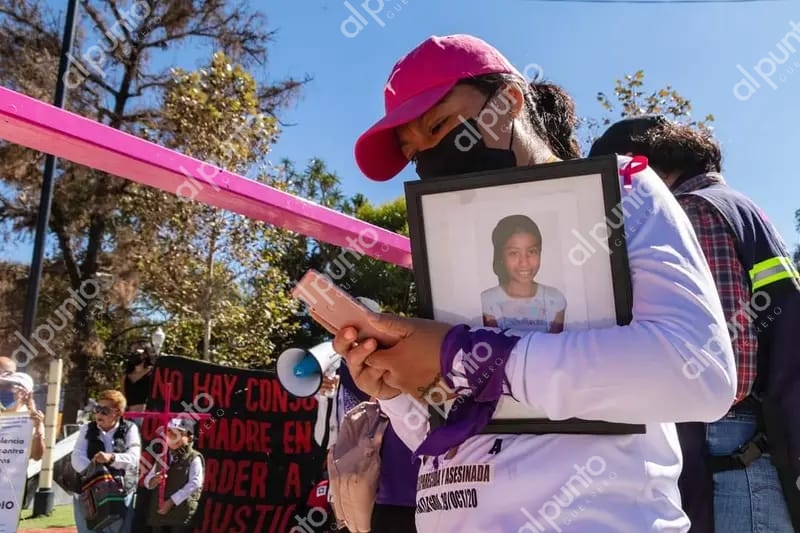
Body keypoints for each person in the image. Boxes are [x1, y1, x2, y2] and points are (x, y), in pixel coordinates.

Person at [329, 34, 739, 532]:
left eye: (438, 127)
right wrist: (398, 389)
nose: (432, 157)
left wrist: (468, 357)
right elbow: (461, 433)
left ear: (508, 101)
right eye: (415, 154)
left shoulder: (622, 191)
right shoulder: (449, 241)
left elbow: (700, 374)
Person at [589, 115, 800, 532]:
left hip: (731, 452)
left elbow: (725, 362)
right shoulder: (737, 206)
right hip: (752, 448)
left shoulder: (691, 212)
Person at [481, 214, 567, 332]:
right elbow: (494, 342)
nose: (524, 262)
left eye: (531, 251)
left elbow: (555, 342)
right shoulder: (488, 301)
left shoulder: (554, 299)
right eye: (514, 253)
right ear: (501, 257)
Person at [71, 389, 141, 533]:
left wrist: (112, 458)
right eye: (97, 409)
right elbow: (77, 456)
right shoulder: (87, 428)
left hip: (120, 491)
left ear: (118, 412)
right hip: (89, 492)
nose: (99, 414)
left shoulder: (130, 428)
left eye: (105, 411)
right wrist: (97, 475)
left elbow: (134, 457)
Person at [144, 418, 205, 533]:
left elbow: (195, 483)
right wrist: (154, 480)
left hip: (180, 514)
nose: (173, 437)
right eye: (169, 432)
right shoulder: (162, 457)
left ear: (190, 437)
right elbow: (147, 481)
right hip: (159, 515)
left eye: (179, 433)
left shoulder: (194, 457)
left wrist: (172, 501)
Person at [0, 372, 45, 460]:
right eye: (1, 386)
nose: (2, 389)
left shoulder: (32, 418)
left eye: (8, 386)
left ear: (25, 393)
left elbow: (36, 456)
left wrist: (38, 430)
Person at [122, 347, 155, 414]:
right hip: (129, 414)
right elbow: (123, 395)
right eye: (134, 353)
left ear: (145, 355)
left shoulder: (152, 373)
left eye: (138, 353)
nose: (135, 355)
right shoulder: (126, 376)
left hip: (147, 414)